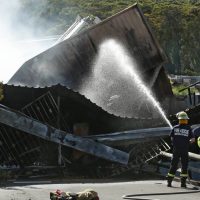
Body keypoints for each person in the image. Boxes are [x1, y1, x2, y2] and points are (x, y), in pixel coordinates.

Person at [166, 111, 195, 187]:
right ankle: (183, 184)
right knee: (184, 166)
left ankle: (169, 182)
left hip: (176, 150)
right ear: (186, 120)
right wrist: (189, 142)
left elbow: (171, 138)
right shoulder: (189, 129)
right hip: (184, 150)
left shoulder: (175, 128)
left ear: (179, 119)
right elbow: (193, 139)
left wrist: (175, 143)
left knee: (173, 165)